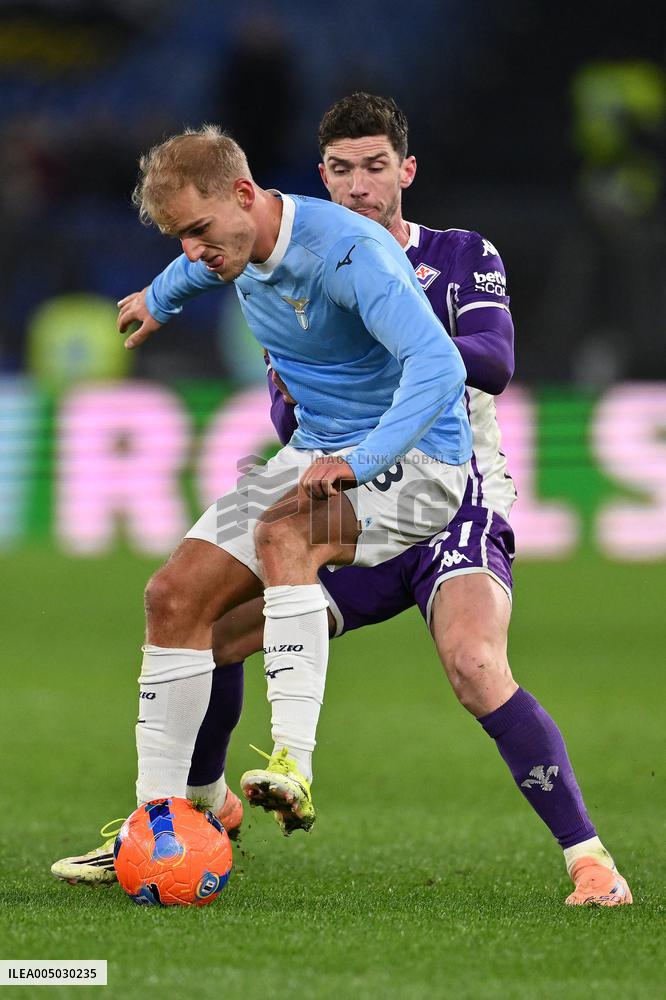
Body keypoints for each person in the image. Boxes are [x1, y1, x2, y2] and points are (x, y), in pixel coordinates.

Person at [52, 97, 632, 907]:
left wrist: (367, 421)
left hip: (437, 484)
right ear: (318, 175)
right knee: (185, 605)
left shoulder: (416, 258)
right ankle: (176, 815)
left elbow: (480, 364)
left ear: (406, 170)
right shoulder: (246, 248)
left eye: (375, 166)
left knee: (470, 662)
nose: (360, 185)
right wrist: (160, 294)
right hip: (337, 462)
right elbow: (224, 280)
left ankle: (588, 858)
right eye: (341, 169)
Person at [51, 120, 473, 875]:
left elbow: (440, 369)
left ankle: (294, 763)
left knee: (286, 535)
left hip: (419, 465)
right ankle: (155, 826)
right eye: (180, 236)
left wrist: (359, 458)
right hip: (316, 451)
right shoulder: (234, 241)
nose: (195, 249)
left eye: (200, 230)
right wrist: (159, 294)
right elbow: (209, 264)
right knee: (172, 596)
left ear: (246, 194)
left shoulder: (350, 252)